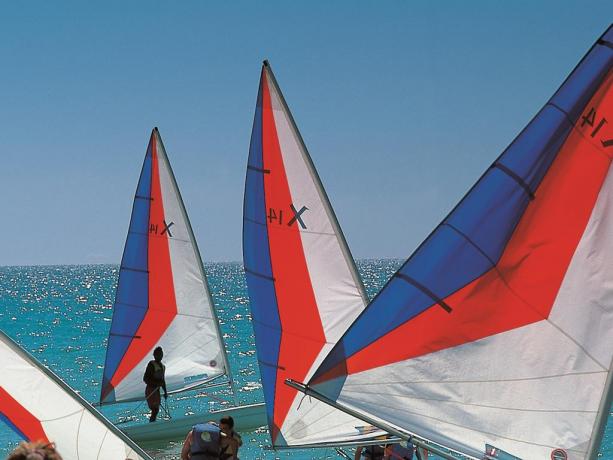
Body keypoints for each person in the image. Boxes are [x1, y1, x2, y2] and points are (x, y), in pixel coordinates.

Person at [142, 346, 167, 422]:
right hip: (151, 390)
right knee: (155, 409)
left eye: (160, 354)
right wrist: (156, 383)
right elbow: (145, 379)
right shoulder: (151, 365)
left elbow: (163, 381)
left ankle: (153, 423)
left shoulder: (163, 366)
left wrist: (165, 392)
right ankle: (151, 424)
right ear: (154, 355)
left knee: (156, 409)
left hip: (157, 391)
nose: (159, 356)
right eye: (157, 354)